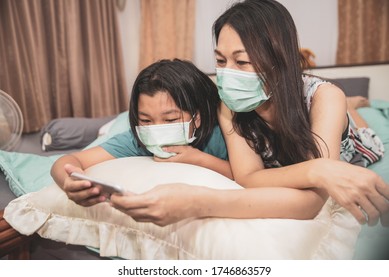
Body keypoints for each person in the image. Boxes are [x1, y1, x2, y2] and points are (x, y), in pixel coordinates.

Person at [109, 0, 389, 227]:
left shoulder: (325, 97)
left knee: (345, 109)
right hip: (300, 153)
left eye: (241, 61)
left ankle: (354, 106)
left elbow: (311, 202)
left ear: (278, 60)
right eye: (220, 60)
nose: (228, 74)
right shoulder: (229, 105)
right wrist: (319, 168)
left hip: (353, 141)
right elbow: (248, 177)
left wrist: (199, 202)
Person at [50, 59, 232, 206]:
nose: (155, 129)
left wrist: (199, 159)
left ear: (197, 117)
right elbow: (67, 161)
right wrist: (68, 182)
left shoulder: (220, 135)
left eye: (170, 120)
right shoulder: (138, 140)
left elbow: (247, 177)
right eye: (146, 120)